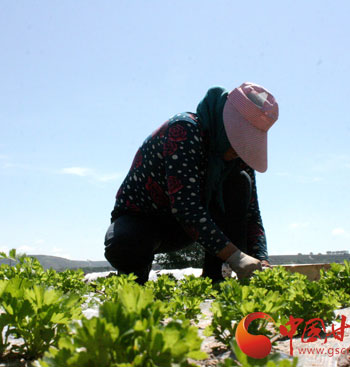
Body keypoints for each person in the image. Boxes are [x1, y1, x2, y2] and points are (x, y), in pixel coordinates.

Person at [104, 82, 279, 284]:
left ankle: (214, 279)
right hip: (143, 220)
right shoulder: (184, 130)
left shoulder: (238, 155)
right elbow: (186, 208)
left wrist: (261, 260)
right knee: (127, 242)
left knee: (240, 181)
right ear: (226, 124)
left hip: (187, 228)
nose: (239, 149)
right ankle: (134, 286)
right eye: (239, 139)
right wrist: (236, 256)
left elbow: (251, 214)